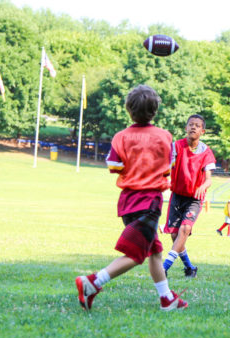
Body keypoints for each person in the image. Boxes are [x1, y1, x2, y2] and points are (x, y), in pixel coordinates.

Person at [75, 85, 187, 311]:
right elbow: (169, 167)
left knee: (154, 250)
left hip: (127, 201)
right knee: (137, 255)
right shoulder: (165, 137)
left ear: (129, 110)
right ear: (155, 110)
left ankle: (166, 298)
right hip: (149, 202)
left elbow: (114, 165)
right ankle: (93, 282)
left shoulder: (121, 137)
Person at [162, 114, 217, 277]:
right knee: (174, 235)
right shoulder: (176, 147)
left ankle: (164, 267)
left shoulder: (206, 152)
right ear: (186, 128)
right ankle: (189, 268)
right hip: (177, 196)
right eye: (190, 124)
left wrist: (203, 186)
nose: (193, 127)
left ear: (203, 131)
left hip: (194, 199)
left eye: (197, 125)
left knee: (185, 229)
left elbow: (209, 180)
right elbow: (166, 167)